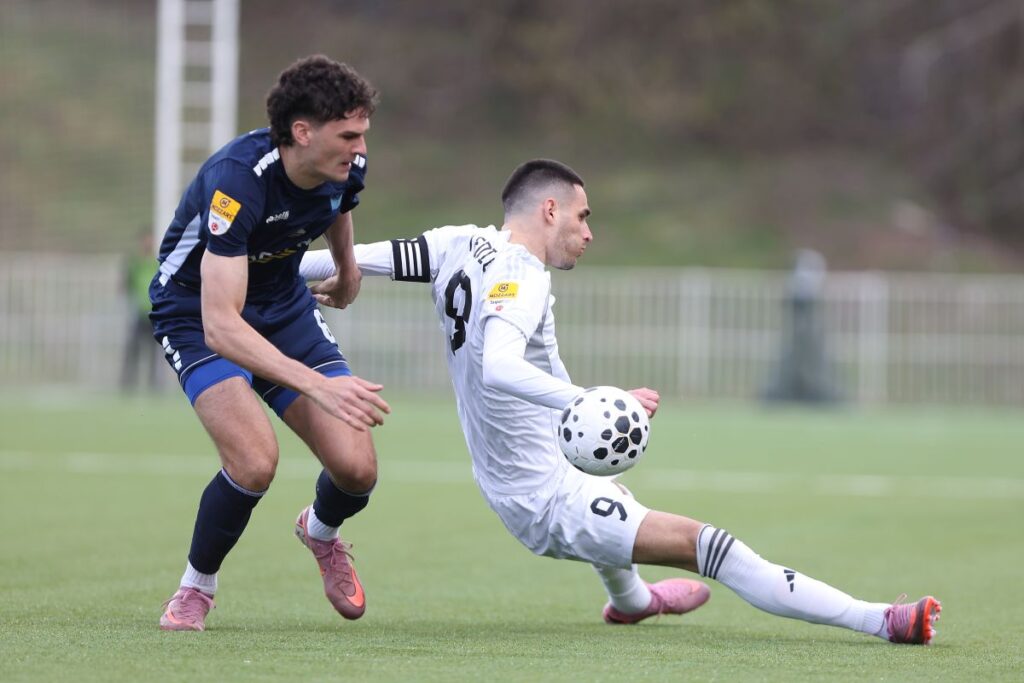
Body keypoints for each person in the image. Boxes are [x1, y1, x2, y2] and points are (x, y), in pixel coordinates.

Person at [299, 159, 942, 644]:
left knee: (617, 502)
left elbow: (344, 259)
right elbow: (498, 367)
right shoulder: (522, 276)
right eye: (583, 217)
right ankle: (882, 621)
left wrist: (259, 270)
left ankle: (632, 603)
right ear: (549, 209)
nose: (589, 232)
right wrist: (590, 401)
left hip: (540, 466)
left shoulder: (458, 242)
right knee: (713, 546)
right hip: (541, 497)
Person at [150, 55, 390, 632]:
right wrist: (315, 386)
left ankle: (320, 531)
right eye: (348, 135)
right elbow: (222, 326)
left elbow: (339, 204)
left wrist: (347, 268)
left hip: (283, 307)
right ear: (302, 132)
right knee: (255, 462)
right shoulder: (236, 181)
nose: (360, 148)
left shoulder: (346, 165)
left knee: (356, 469)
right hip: (196, 314)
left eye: (362, 134)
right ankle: (195, 588)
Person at [120, 231, 161, 391]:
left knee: (154, 353)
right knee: (133, 350)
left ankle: (154, 386)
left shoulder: (157, 263)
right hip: (139, 313)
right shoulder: (135, 263)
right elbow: (126, 284)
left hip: (154, 314)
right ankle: (127, 384)